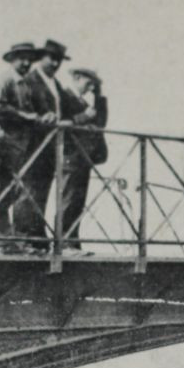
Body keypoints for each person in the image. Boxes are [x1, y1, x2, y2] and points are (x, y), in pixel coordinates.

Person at [14, 39, 98, 251]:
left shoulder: (55, 84)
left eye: (59, 60)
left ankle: (38, 240)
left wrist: (80, 121)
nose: (55, 64)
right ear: (41, 58)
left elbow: (67, 114)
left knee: (41, 190)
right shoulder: (30, 80)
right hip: (33, 144)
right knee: (29, 190)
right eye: (51, 59)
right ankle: (24, 239)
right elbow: (25, 110)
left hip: (50, 146)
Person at [0, 42, 38, 251]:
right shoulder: (3, 80)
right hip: (2, 139)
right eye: (21, 58)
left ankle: (16, 239)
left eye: (29, 59)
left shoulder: (24, 84)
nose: (26, 63)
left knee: (19, 189)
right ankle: (2, 239)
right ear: (11, 59)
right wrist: (25, 116)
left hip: (19, 143)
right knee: (0, 188)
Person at [60, 67, 110, 251]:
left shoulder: (86, 102)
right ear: (77, 78)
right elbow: (62, 122)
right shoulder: (64, 96)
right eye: (89, 83)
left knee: (78, 201)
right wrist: (83, 117)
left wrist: (99, 95)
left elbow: (101, 122)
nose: (90, 88)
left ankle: (72, 240)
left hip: (83, 157)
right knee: (69, 198)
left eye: (93, 85)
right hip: (69, 155)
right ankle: (65, 242)